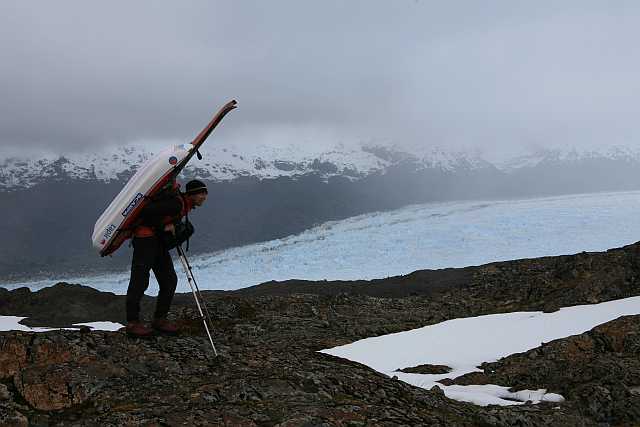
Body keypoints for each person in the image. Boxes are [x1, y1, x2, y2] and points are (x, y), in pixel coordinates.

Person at [125, 179, 208, 337]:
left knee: (169, 280)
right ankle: (132, 323)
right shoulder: (176, 204)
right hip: (145, 240)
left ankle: (160, 320)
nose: (204, 197)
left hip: (156, 241)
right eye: (200, 193)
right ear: (191, 194)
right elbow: (144, 212)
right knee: (139, 280)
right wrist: (162, 226)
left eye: (205, 193)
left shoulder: (184, 205)